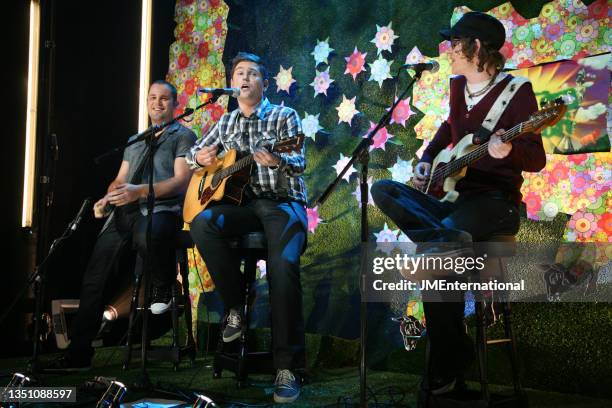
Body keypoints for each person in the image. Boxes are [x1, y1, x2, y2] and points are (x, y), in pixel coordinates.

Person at [371, 12, 546, 395]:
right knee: (384, 189)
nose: (448, 51)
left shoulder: (517, 92)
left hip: (495, 203)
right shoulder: (456, 87)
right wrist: (427, 157)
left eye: (454, 44)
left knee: (442, 247)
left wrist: (508, 150)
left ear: (476, 47)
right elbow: (449, 129)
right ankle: (441, 248)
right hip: (453, 200)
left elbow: (537, 158)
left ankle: (447, 366)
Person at [47, 80, 197, 371]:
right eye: (152, 98)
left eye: (164, 99)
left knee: (147, 235)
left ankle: (163, 288)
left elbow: (180, 183)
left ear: (175, 104)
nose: (157, 103)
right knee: (95, 276)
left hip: (161, 209)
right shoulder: (137, 139)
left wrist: (138, 191)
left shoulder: (184, 136)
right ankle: (78, 354)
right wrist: (107, 198)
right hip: (125, 211)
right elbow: (120, 178)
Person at [186, 52, 307, 404]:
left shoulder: (284, 116)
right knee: (203, 222)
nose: (244, 78)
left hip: (282, 203)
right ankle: (236, 305)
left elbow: (298, 161)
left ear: (264, 84)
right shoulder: (227, 121)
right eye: (239, 73)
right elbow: (196, 151)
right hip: (242, 206)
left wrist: (277, 158)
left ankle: (288, 368)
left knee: (283, 268)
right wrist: (201, 159)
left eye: (252, 73)